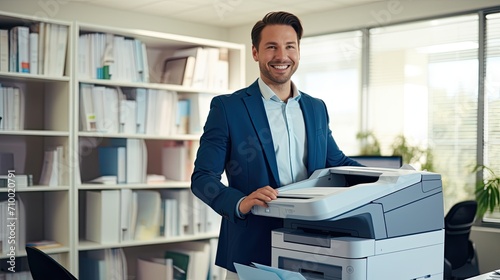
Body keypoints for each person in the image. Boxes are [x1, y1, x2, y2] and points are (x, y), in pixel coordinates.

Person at [191, 11, 362, 279]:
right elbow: (203, 178)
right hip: (250, 254)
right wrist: (240, 202)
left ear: (298, 51)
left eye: (289, 46)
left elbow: (337, 163)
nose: (282, 56)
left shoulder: (316, 108)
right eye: (271, 47)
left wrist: (390, 179)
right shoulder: (228, 108)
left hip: (309, 249)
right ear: (256, 52)